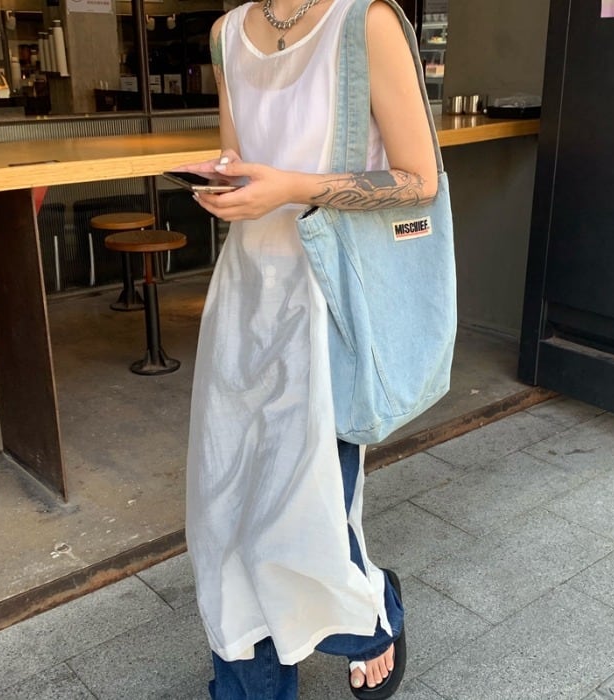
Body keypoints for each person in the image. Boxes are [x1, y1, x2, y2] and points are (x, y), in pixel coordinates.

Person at [182, 0, 439, 696]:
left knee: (306, 509)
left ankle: (373, 615)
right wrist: (225, 181)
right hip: (245, 295)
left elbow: (420, 179)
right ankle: (251, 683)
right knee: (224, 508)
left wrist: (292, 188)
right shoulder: (226, 34)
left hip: (328, 302)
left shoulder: (364, 22)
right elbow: (241, 158)